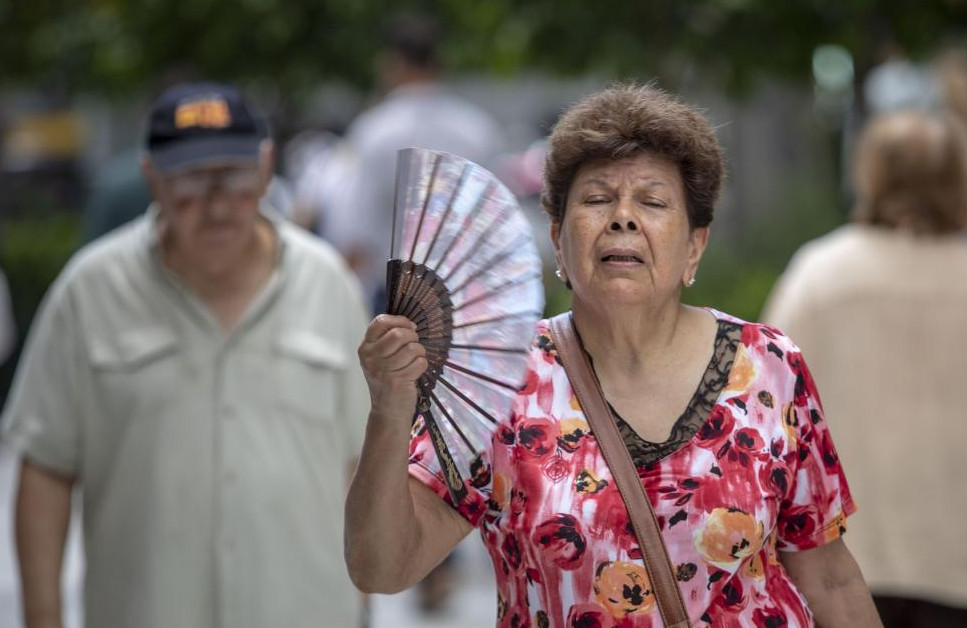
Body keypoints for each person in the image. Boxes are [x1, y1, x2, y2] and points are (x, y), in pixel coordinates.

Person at [346, 84, 882, 627]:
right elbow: (381, 569)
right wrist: (390, 409)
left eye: (652, 202)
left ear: (694, 246)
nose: (623, 217)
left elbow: (829, 575)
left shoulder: (769, 365)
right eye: (598, 199)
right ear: (557, 240)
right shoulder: (499, 379)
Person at [2, 82, 370, 628]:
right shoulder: (92, 288)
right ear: (152, 177)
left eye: (236, 175)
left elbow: (362, 463)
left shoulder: (327, 283)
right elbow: (45, 469)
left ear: (266, 168)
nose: (218, 203)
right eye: (192, 180)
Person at [762, 111, 967, 628]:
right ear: (959, 179)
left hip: (852, 564)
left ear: (870, 176)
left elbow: (764, 406)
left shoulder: (819, 275)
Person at [336, 12, 504, 312]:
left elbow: (355, 230)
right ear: (440, 62)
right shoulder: (477, 129)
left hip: (396, 294)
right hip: (467, 291)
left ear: (391, 62)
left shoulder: (374, 130)